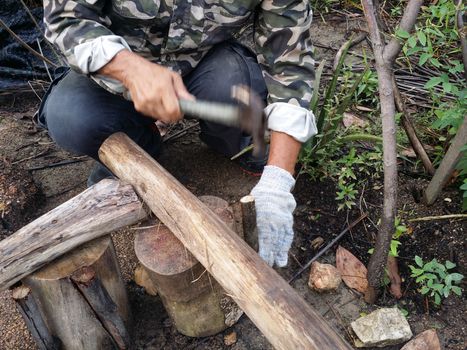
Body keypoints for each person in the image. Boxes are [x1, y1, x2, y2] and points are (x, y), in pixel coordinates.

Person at [39, 0, 317, 267]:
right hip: (114, 70)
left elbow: (290, 66)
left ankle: (230, 140)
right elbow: (66, 20)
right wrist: (131, 70)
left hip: (204, 65)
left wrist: (278, 181)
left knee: (239, 97)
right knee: (71, 116)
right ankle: (140, 139)